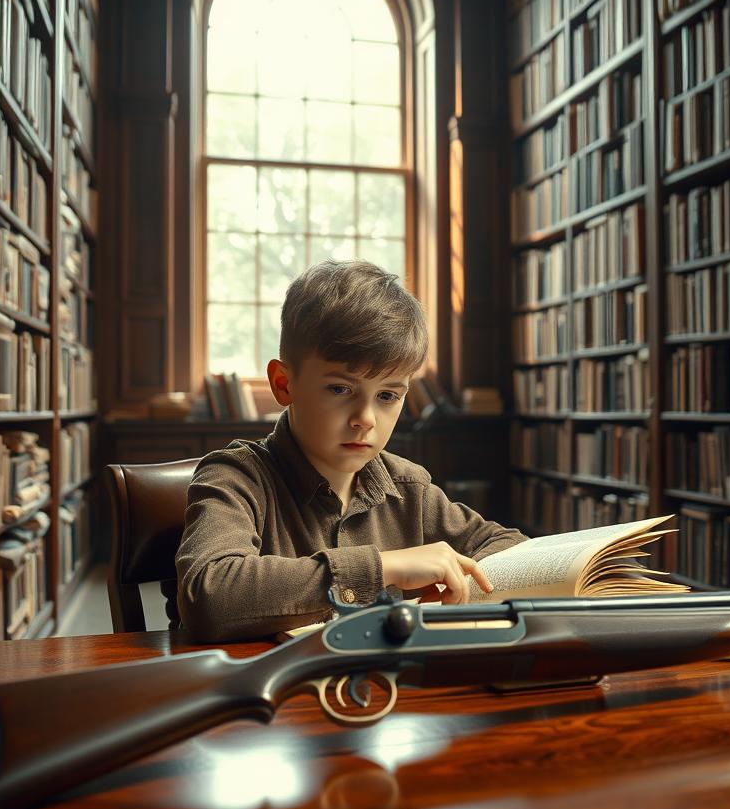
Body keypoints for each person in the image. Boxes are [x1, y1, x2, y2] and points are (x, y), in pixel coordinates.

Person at [176, 259, 526, 641]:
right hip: (266, 693)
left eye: (388, 395)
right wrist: (383, 568)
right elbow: (210, 595)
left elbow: (509, 546)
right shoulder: (234, 477)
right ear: (283, 383)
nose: (365, 418)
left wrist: (454, 577)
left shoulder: (410, 488)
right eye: (340, 389)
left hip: (388, 689)